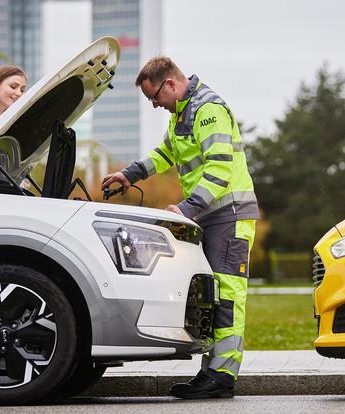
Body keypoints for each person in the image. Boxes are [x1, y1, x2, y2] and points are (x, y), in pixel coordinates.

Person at [101, 56, 259, 399]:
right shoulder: (181, 114)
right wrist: (129, 174)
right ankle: (211, 372)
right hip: (210, 216)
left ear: (170, 84)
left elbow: (219, 168)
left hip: (229, 215)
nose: (156, 105)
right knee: (212, 297)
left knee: (228, 296)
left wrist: (187, 209)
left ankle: (222, 376)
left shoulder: (209, 110)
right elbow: (165, 154)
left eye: (155, 97)